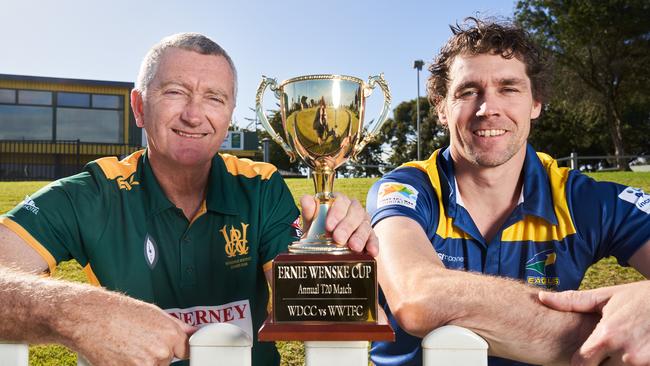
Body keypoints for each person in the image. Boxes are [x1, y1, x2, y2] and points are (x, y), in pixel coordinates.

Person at [0, 32, 377, 366]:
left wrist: (335, 256)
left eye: (214, 98)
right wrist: (78, 314)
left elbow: (310, 312)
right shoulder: (93, 192)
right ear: (139, 107)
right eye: (175, 92)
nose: (194, 115)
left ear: (229, 115)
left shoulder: (260, 186)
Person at [366, 18, 650, 366]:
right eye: (469, 91)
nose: (488, 109)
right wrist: (608, 334)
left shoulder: (580, 198)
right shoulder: (406, 188)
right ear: (441, 107)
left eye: (509, 88)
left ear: (536, 103)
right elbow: (418, 298)